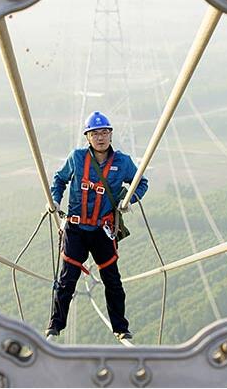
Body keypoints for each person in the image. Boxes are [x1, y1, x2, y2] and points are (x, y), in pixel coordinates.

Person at [45, 111, 148, 341]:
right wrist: (55, 198)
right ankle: (55, 326)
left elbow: (141, 182)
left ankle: (121, 327)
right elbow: (60, 179)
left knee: (112, 280)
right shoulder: (77, 158)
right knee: (66, 280)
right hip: (76, 228)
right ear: (88, 137)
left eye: (104, 132)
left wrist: (129, 199)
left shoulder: (123, 162)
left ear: (111, 135)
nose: (100, 137)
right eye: (95, 133)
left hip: (102, 230)